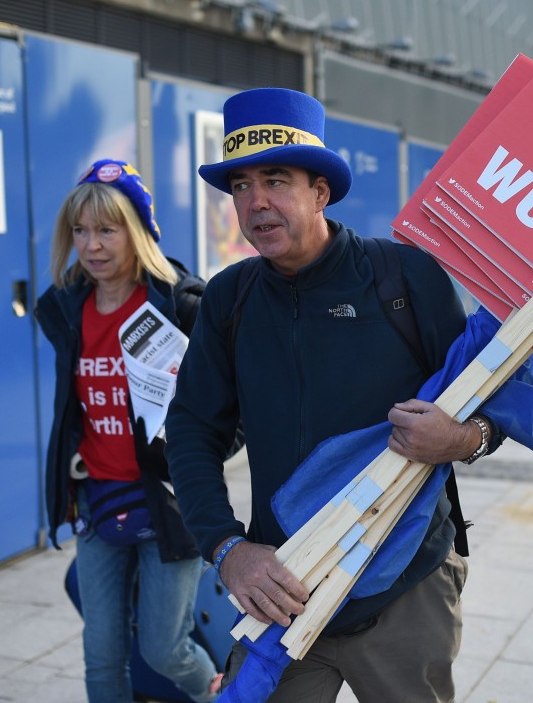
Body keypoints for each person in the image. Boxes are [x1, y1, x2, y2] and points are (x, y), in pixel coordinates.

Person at [164, 89, 503, 703]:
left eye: (276, 179)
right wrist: (226, 547)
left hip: (405, 581)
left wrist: (462, 438)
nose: (256, 201)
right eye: (240, 185)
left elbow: (493, 404)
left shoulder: (406, 279)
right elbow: (191, 428)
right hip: (284, 587)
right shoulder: (229, 299)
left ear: (320, 191)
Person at [35, 160, 221, 703]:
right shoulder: (68, 310)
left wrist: (191, 463)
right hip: (99, 503)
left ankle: (220, 695)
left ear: (137, 231)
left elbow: (226, 417)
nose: (91, 245)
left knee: (165, 649)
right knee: (101, 655)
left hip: (168, 504)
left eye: (107, 229)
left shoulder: (180, 306)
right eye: (81, 230)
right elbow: (74, 413)